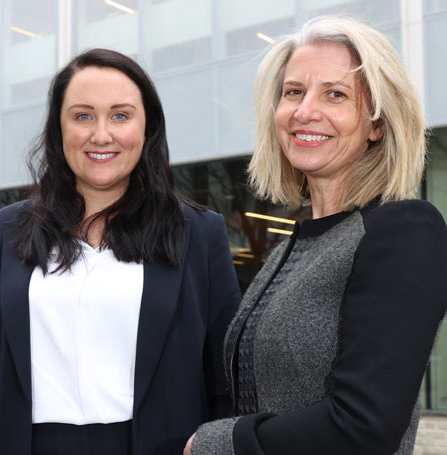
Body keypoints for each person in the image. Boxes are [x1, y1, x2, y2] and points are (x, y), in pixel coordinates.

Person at [0, 48, 241, 454]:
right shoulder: (6, 230)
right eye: (83, 116)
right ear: (58, 128)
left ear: (147, 127)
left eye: (120, 115)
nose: (101, 135)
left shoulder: (199, 233)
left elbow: (225, 380)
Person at [185, 16, 447, 455]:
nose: (305, 110)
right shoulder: (292, 244)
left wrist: (212, 443)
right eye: (293, 92)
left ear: (377, 125)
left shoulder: (404, 231)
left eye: (336, 94)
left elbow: (363, 427)